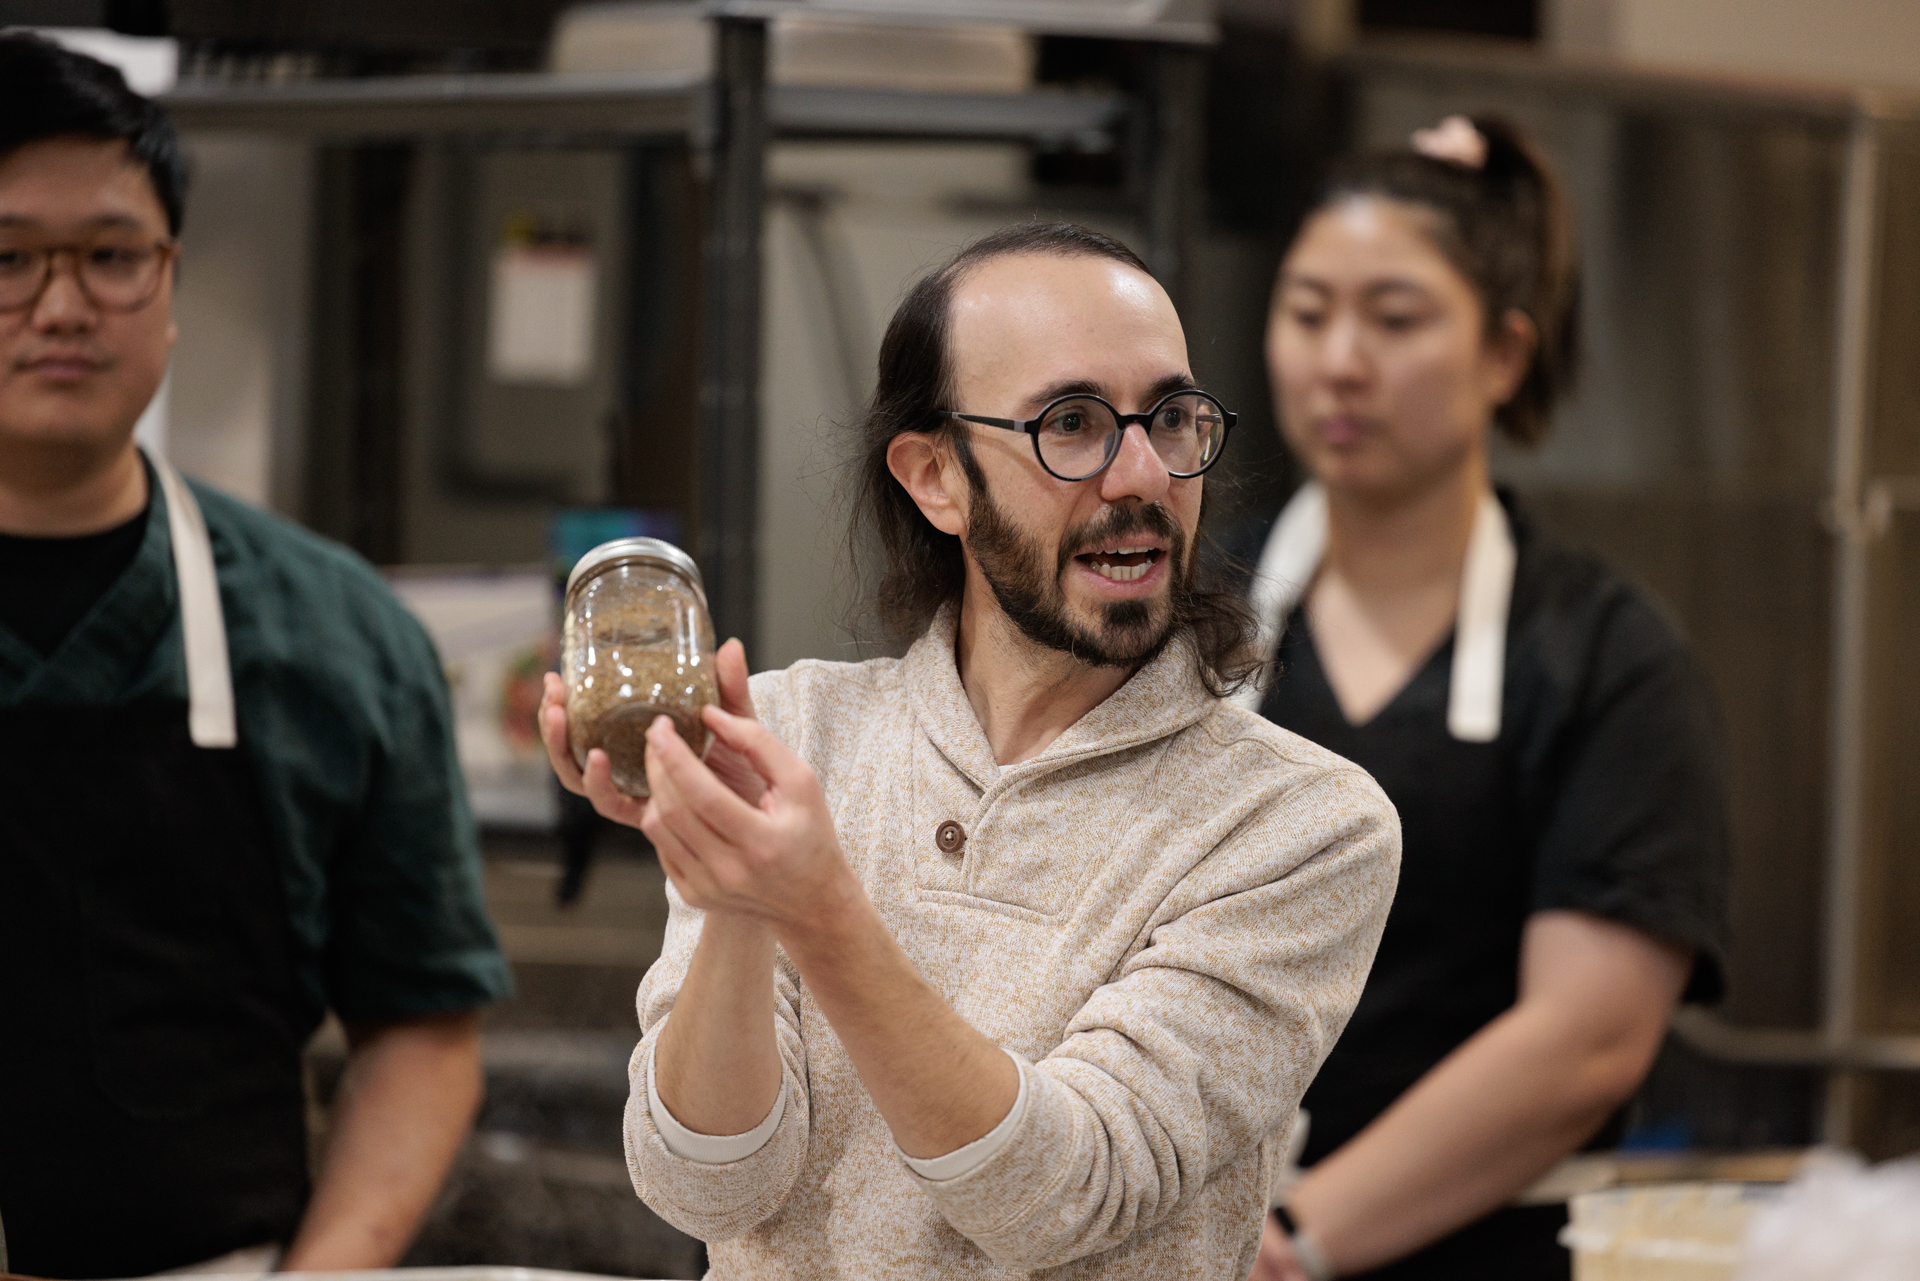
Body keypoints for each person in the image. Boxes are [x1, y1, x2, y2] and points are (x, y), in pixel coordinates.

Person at [538, 223, 1402, 1277]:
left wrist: (816, 909)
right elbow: (706, 1185)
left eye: (1171, 419)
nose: (1140, 475)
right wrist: (738, 900)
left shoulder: (1300, 825)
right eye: (1072, 424)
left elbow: (1066, 1195)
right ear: (935, 477)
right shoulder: (789, 735)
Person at [0, 33, 511, 1278]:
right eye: (7, 258)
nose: (61, 305)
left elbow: (422, 1026)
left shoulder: (334, 634)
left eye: (112, 257)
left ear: (170, 284)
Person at [1244, 116, 1731, 1281]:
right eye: (1308, 312)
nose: (1339, 361)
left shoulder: (1607, 657)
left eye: (1395, 319)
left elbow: (1588, 1039)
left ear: (1504, 355)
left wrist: (1291, 1243)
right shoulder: (1191, 619)